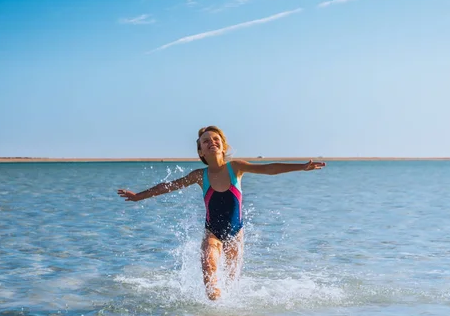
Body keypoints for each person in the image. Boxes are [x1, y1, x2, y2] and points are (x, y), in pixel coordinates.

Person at [118, 126, 325, 300]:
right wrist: (138, 196)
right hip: (212, 234)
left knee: (231, 286)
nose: (211, 142)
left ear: (223, 146)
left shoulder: (235, 168)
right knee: (209, 273)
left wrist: (300, 167)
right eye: (206, 141)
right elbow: (168, 186)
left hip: (236, 236)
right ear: (201, 152)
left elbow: (269, 169)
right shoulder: (200, 175)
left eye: (216, 139)